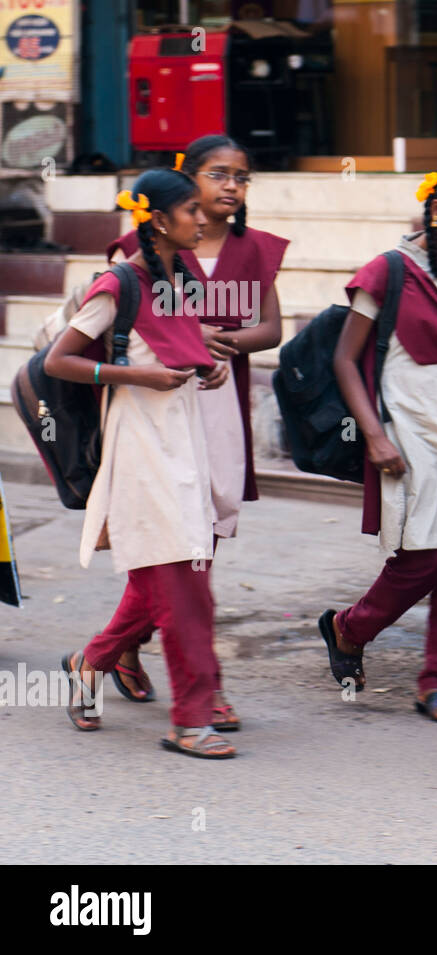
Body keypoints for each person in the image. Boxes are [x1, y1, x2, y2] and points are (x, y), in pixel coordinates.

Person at [103, 136, 289, 733]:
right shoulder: (143, 249)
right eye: (218, 175)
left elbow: (271, 329)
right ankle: (200, 689)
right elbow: (119, 325)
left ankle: (110, 652)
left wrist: (213, 339)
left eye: (242, 177)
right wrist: (187, 341)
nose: (232, 186)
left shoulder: (253, 250)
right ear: (185, 183)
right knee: (180, 548)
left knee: (200, 538)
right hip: (158, 403)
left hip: (216, 398)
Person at [318, 167, 437, 724]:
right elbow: (344, 358)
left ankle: (434, 679)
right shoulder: (388, 271)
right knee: (422, 558)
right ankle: (348, 628)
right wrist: (375, 436)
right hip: (406, 428)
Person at [52, 169, 235, 758]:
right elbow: (62, 360)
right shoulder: (119, 282)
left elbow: (170, 340)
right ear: (158, 220)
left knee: (167, 574)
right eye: (191, 211)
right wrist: (139, 376)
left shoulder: (178, 277)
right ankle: (189, 722)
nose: (203, 219)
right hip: (140, 446)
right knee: (183, 590)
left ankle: (90, 663)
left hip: (182, 438)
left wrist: (208, 358)